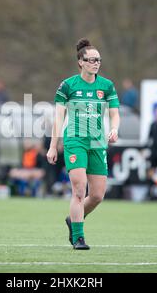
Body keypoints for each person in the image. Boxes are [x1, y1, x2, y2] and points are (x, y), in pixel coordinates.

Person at [47, 38, 120, 250]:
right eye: (91, 60)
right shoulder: (68, 85)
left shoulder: (106, 86)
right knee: (79, 190)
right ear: (81, 62)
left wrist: (114, 129)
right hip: (75, 140)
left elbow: (115, 114)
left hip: (97, 142)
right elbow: (58, 118)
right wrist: (53, 146)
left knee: (97, 195)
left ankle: (74, 219)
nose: (96, 63)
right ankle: (78, 238)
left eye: (98, 60)